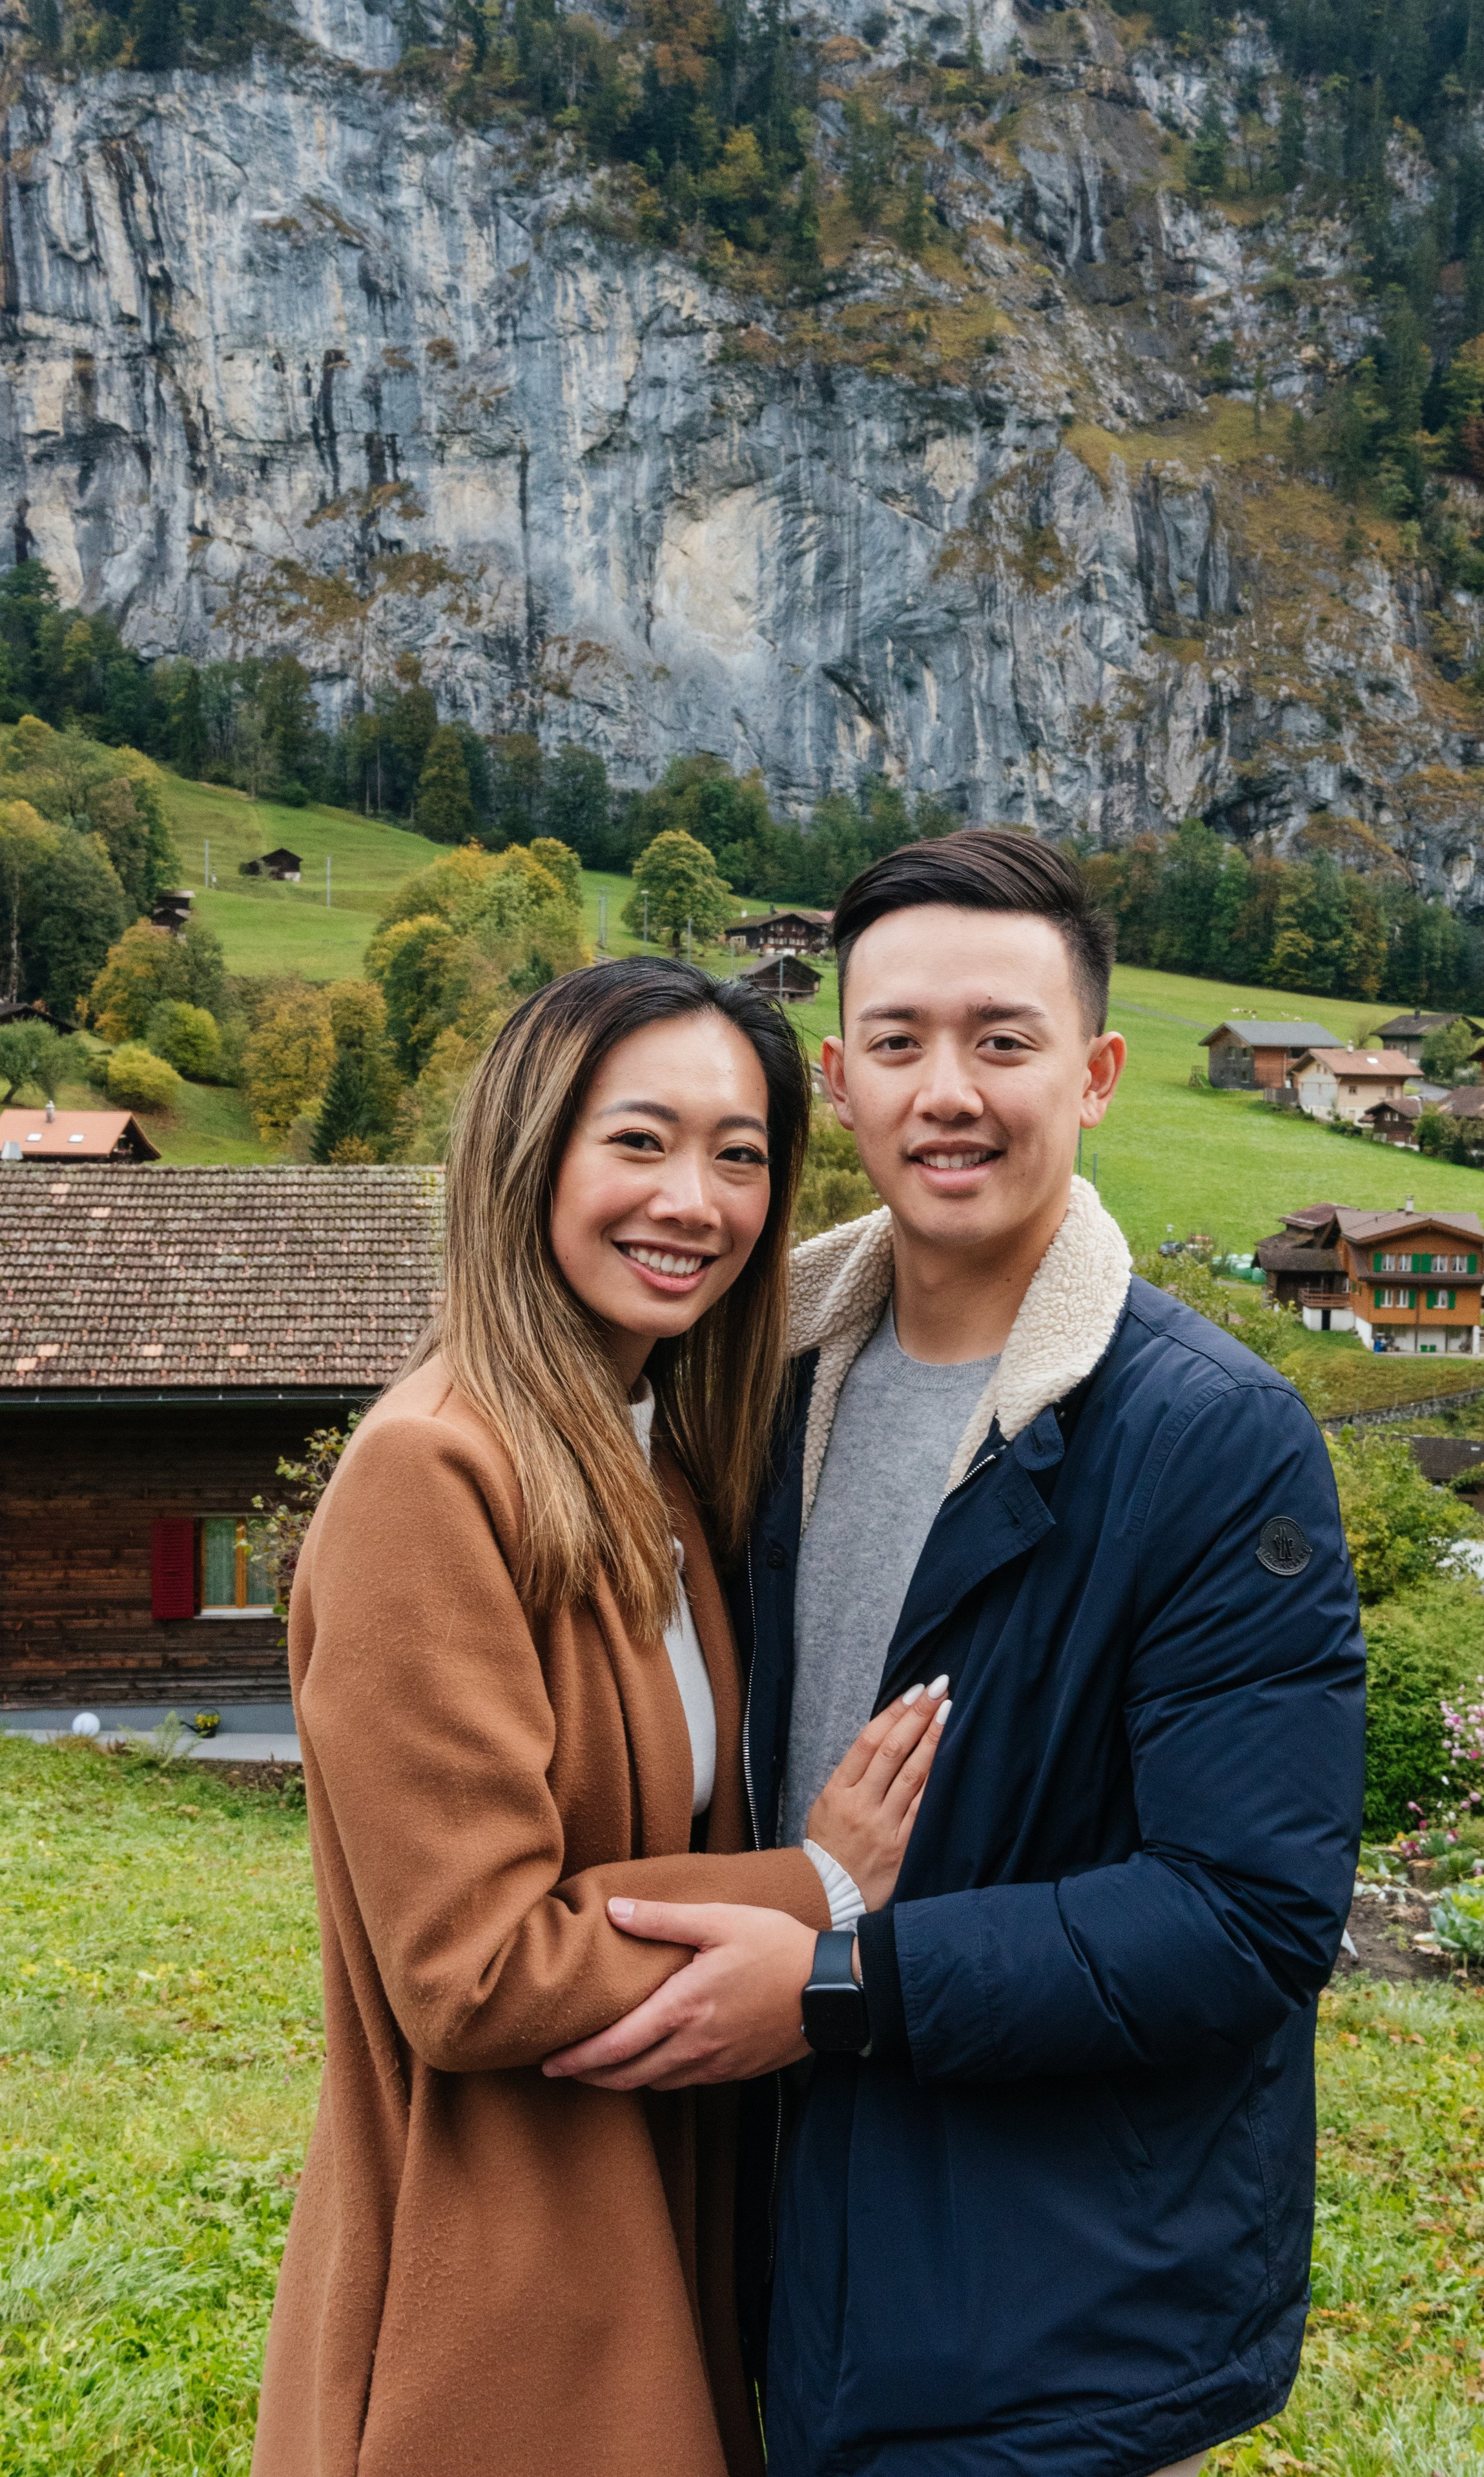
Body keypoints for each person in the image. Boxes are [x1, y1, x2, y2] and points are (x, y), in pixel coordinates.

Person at [542, 835, 1368, 2477]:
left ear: (1098, 1072)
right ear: (836, 1082)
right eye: (901, 1042)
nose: (949, 1092)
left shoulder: (1212, 1442)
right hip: (756, 2237)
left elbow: (1246, 1913)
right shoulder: (743, 1390)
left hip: (1041, 2310)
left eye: (1004, 1040)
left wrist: (836, 1990)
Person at [252, 959, 947, 2477]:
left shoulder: (658, 1472)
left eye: (740, 1152)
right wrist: (815, 1889)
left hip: (649, 2234)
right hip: (493, 2296)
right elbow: (472, 1969)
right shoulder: (429, 1474)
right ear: (530, 1155)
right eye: (637, 1139)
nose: (692, 1199)